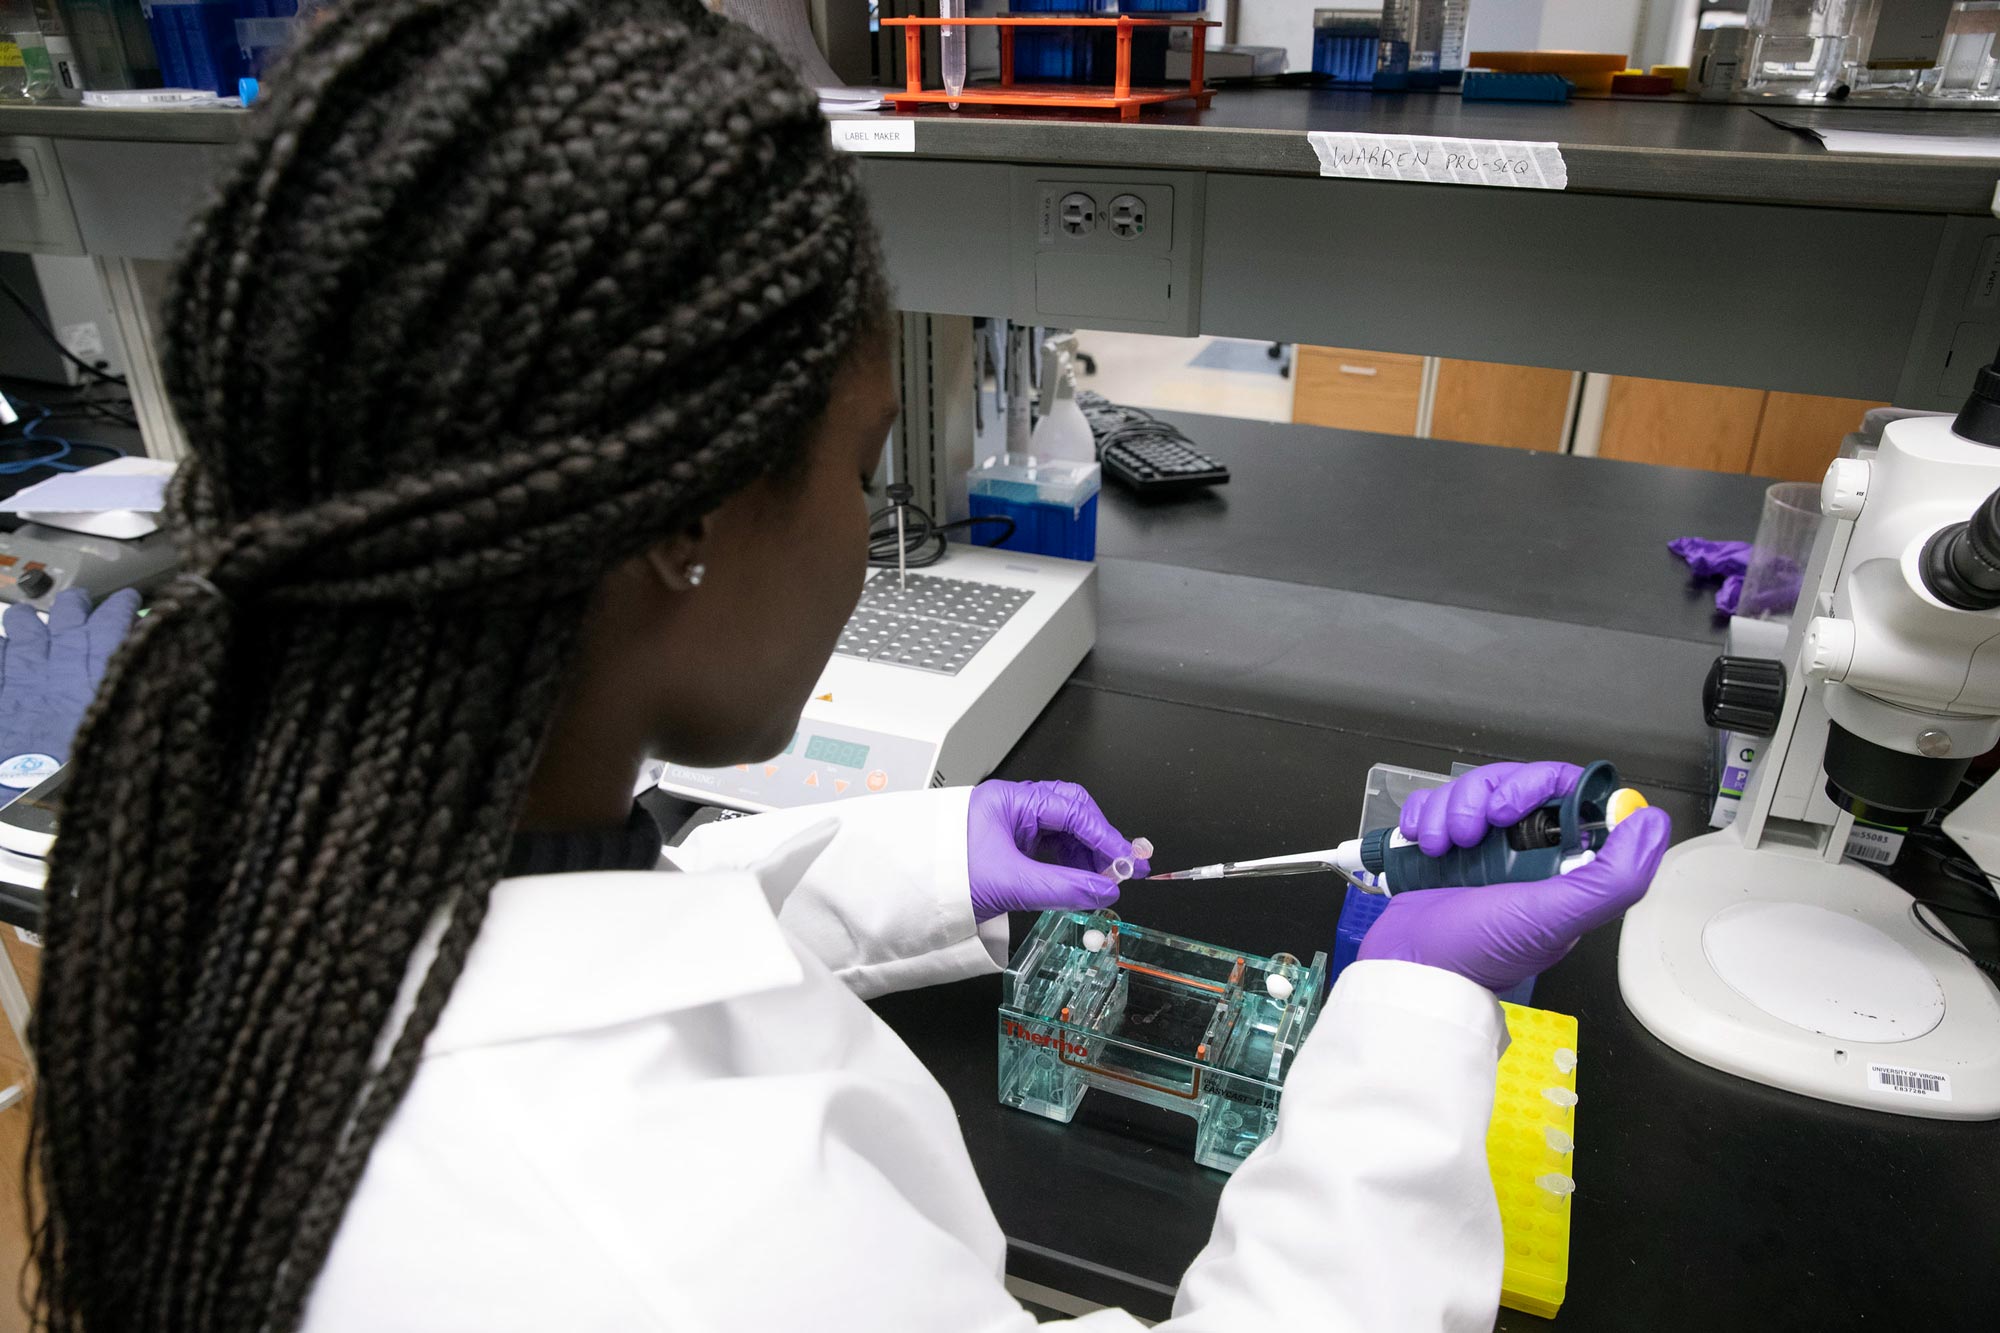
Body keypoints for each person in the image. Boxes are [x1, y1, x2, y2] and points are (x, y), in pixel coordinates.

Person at [26, 3, 1671, 1331]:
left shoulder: (238, 838)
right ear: (685, 521)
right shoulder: (690, 1249)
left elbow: (561, 944)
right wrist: (1423, 1017)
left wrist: (903, 862)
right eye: (866, 470)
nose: (872, 529)